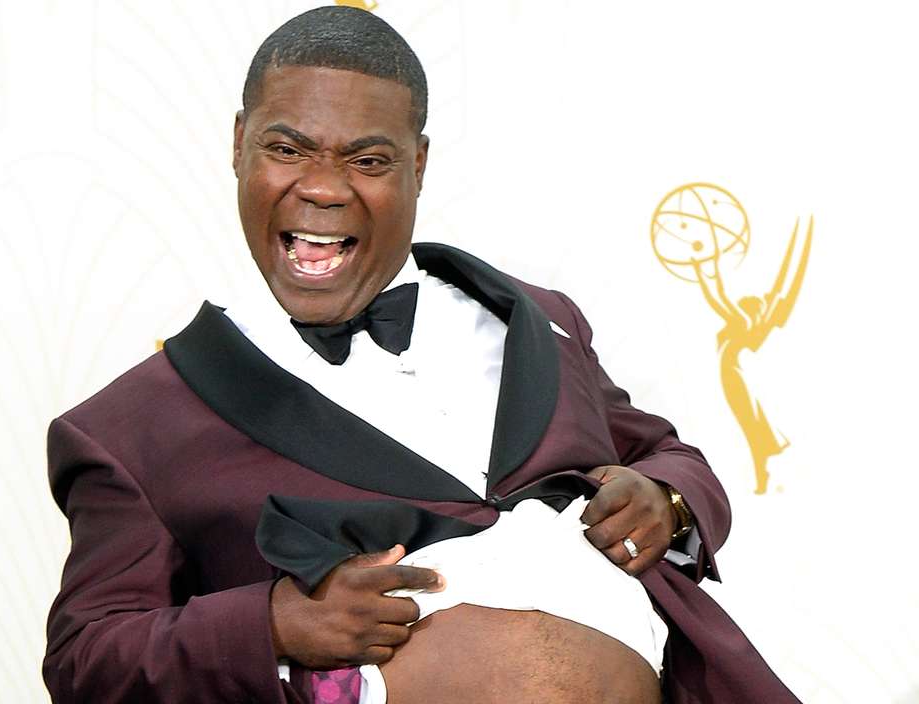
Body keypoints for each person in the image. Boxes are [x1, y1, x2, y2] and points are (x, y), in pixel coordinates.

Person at [44, 6, 799, 703]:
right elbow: (86, 657)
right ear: (239, 144)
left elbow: (666, 456)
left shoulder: (541, 319)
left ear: (419, 164)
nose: (323, 189)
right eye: (287, 149)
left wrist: (664, 500)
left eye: (368, 160)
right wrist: (271, 624)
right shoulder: (129, 428)